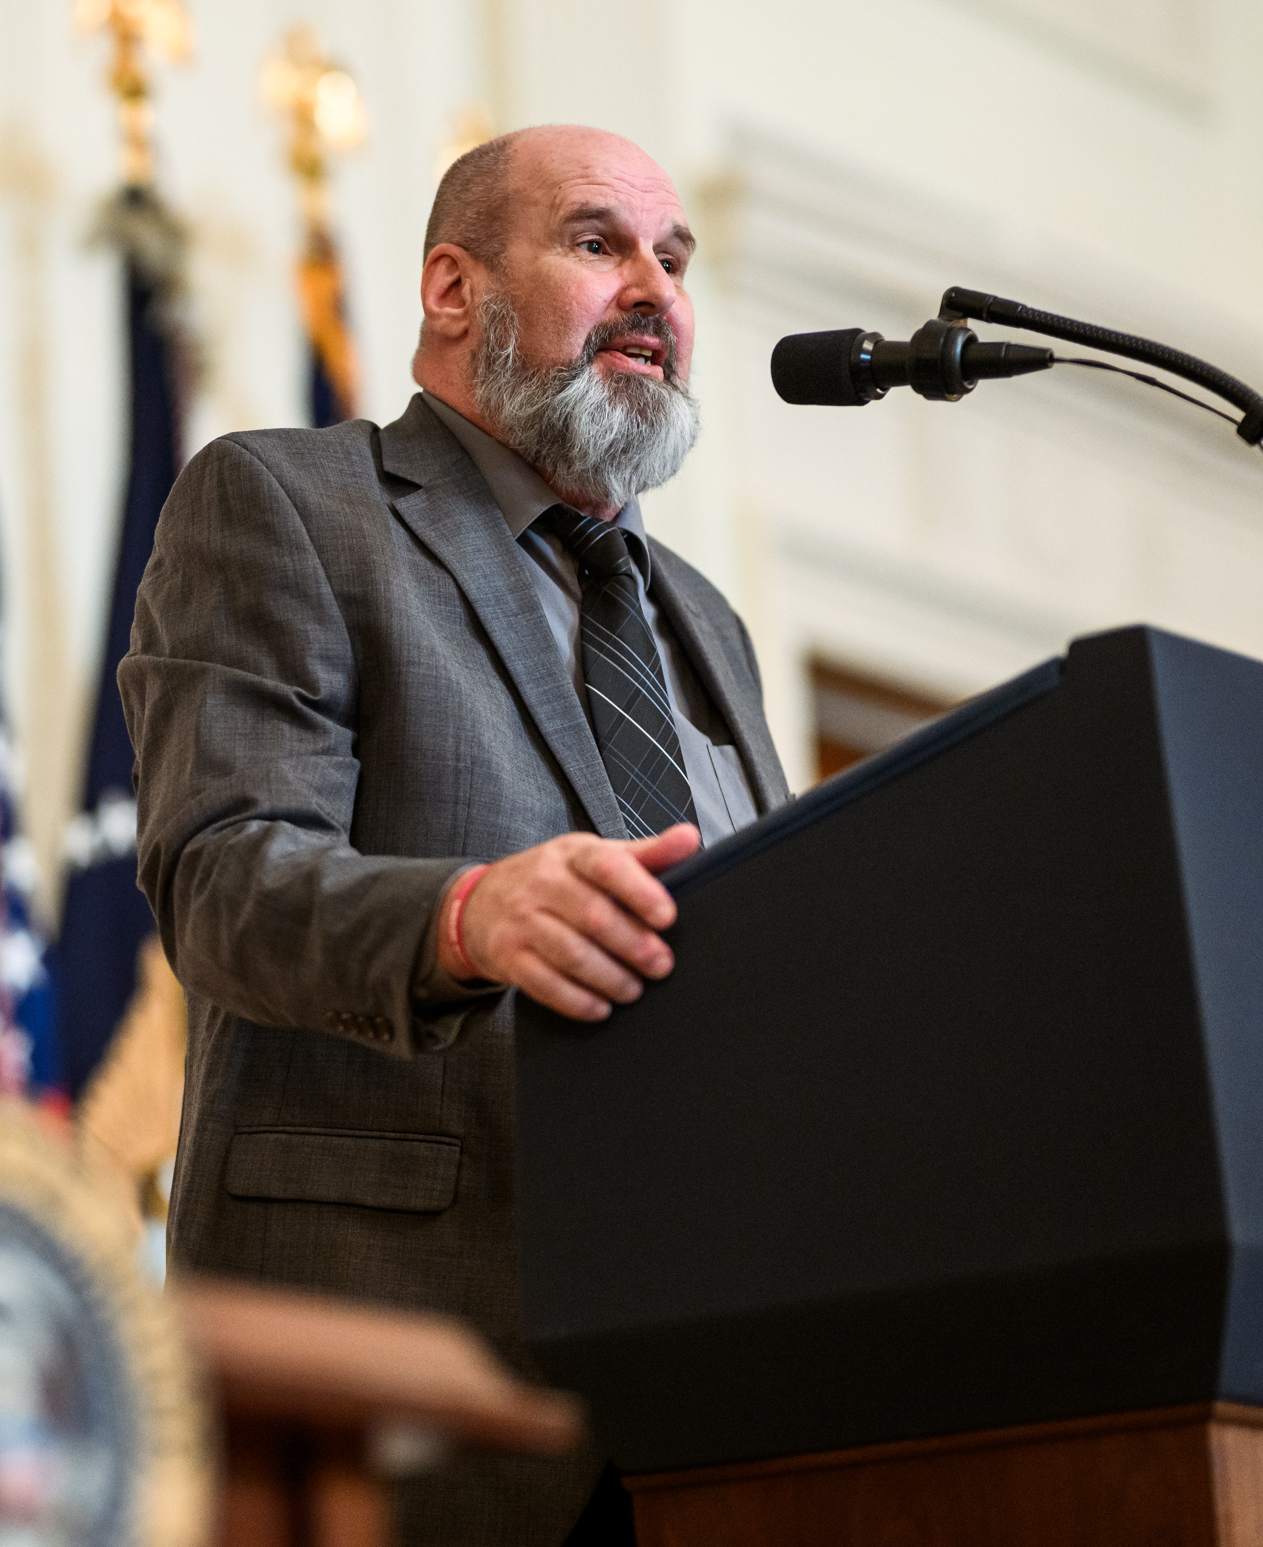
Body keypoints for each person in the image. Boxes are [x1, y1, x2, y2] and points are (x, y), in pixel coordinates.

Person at [120, 125, 790, 1541]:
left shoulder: (706, 626)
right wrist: (468, 917)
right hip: (399, 1387)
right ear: (452, 289)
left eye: (674, 260)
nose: (658, 292)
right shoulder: (289, 508)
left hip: (715, 1418)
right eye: (601, 243)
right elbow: (223, 877)